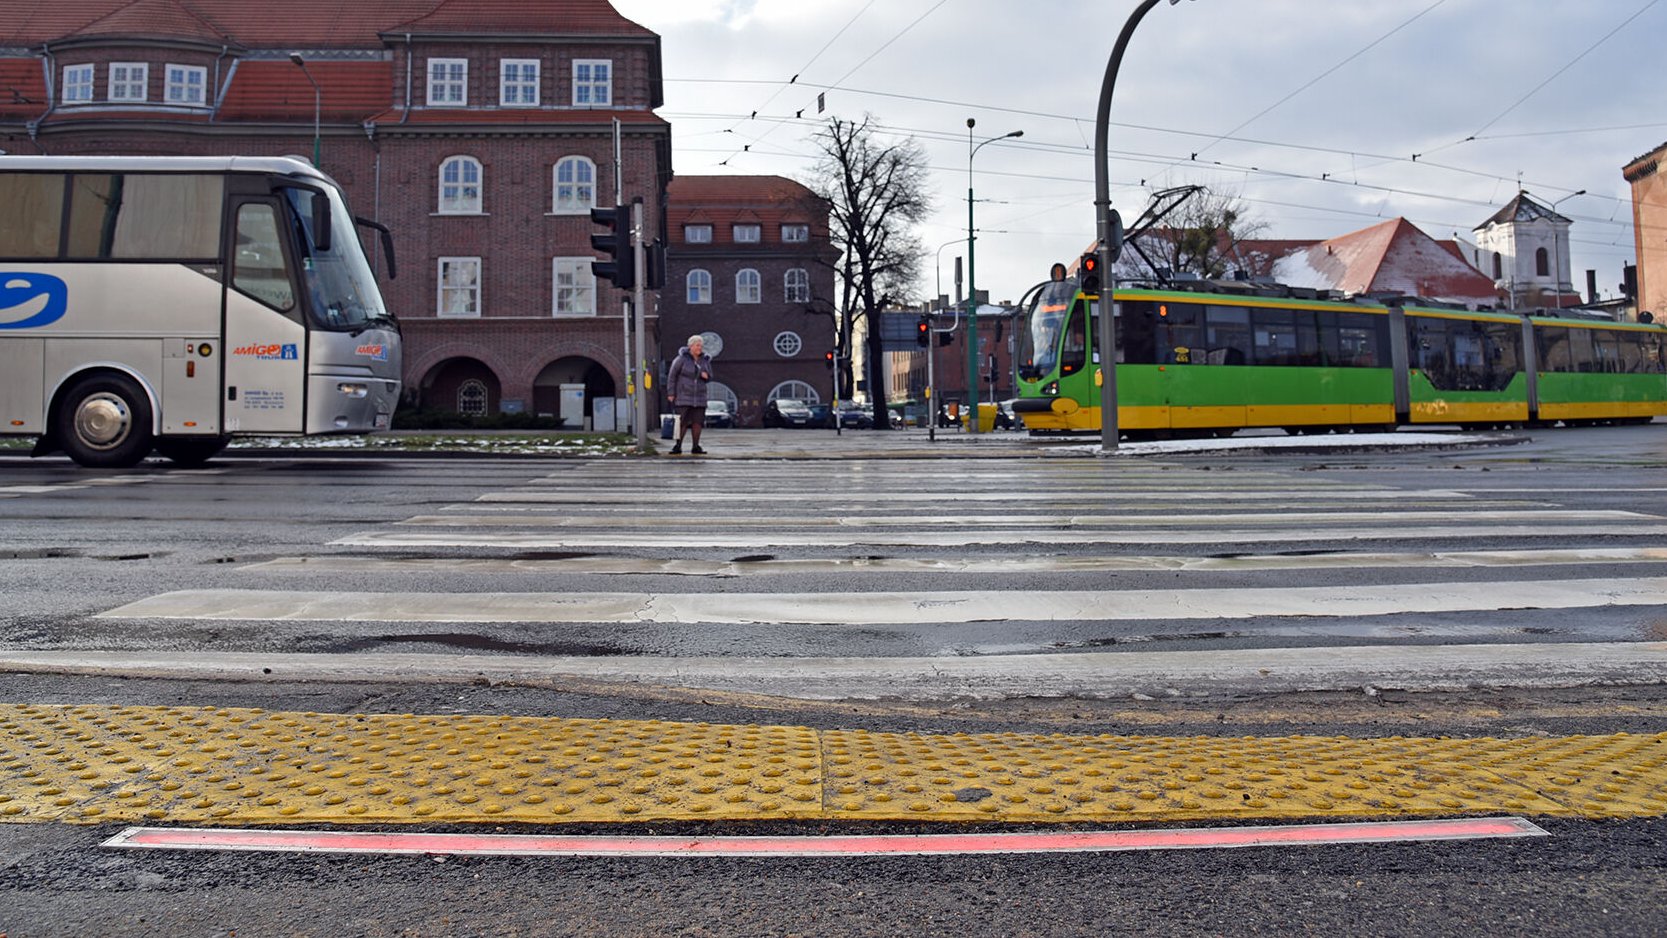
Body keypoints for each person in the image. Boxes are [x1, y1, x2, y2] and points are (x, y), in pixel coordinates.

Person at [665, 334, 714, 455]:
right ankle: (678, 446)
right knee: (682, 422)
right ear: (690, 346)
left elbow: (710, 376)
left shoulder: (705, 360)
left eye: (701, 346)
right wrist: (671, 393)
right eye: (697, 345)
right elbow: (672, 376)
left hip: (700, 397)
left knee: (698, 422)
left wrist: (706, 376)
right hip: (683, 396)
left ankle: (696, 446)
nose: (700, 348)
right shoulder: (681, 359)